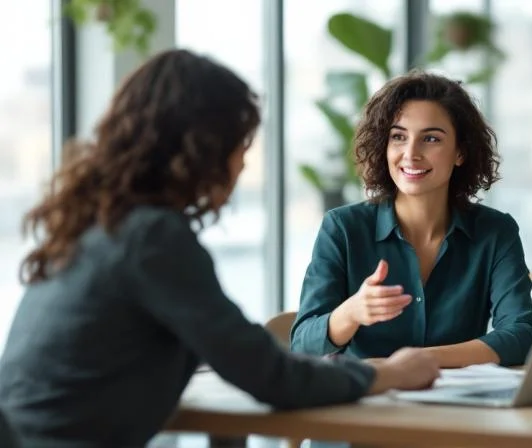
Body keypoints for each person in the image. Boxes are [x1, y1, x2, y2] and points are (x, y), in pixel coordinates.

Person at [0, 49, 439, 448]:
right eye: (240, 143)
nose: (244, 161)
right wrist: (388, 373)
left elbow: (236, 356)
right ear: (203, 148)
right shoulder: (151, 238)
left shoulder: (96, 224)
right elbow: (269, 375)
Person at [291, 71, 532, 368]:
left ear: (460, 151)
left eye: (431, 138)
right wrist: (352, 312)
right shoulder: (343, 229)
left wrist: (423, 359)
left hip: (459, 409)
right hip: (368, 405)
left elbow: (522, 334)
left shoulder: (495, 231)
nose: (410, 154)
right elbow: (303, 344)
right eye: (398, 137)